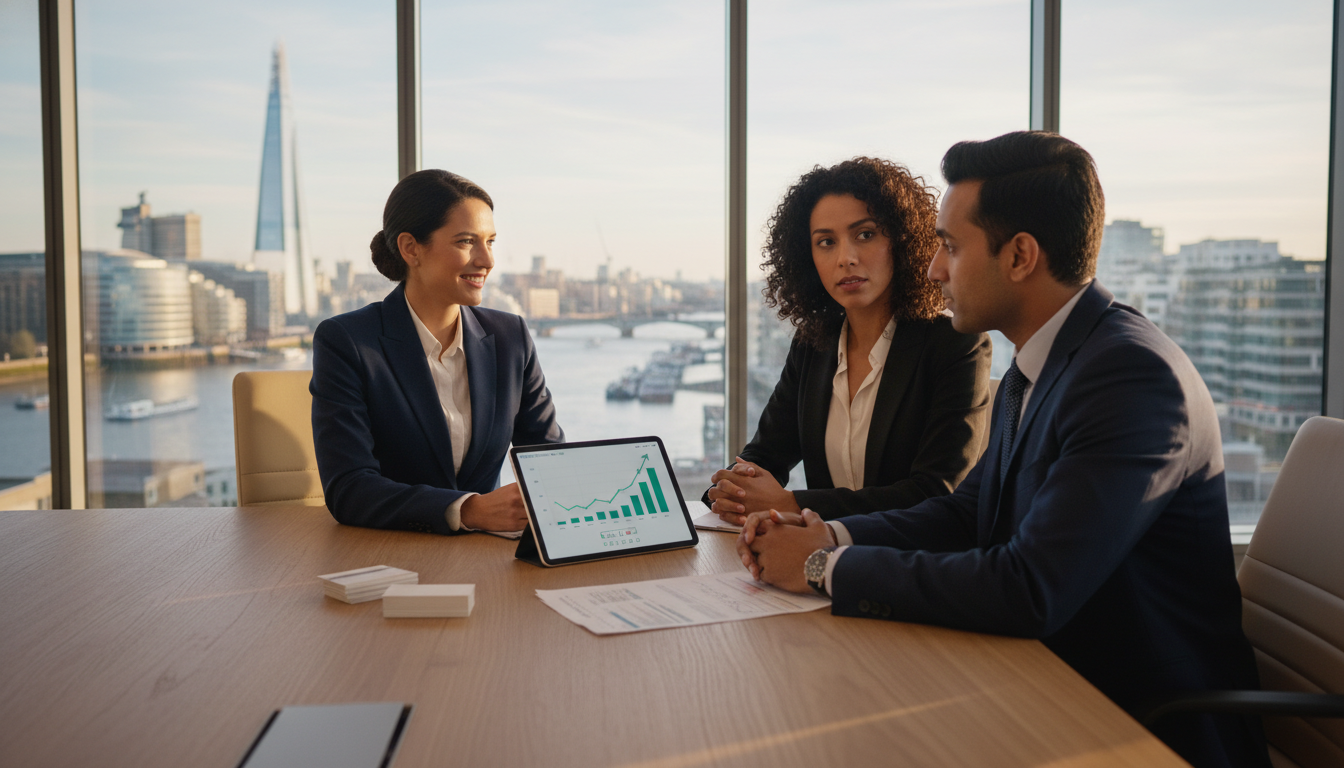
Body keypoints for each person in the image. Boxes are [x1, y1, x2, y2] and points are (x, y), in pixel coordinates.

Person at [736, 133, 1269, 767]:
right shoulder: (1040, 367)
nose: (933, 268)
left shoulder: (1129, 378)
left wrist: (824, 568)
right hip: (1046, 682)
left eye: (951, 247)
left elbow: (1029, 587)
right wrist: (828, 535)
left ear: (1019, 256)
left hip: (1137, 726)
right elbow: (967, 514)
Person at [705, 157, 991, 524]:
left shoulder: (955, 345)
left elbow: (934, 492)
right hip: (814, 559)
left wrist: (794, 504)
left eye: (865, 234)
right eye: (826, 242)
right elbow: (765, 456)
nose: (846, 258)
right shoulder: (813, 344)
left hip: (907, 565)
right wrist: (733, 488)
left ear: (902, 239)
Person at [310, 169, 563, 534]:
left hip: (487, 559)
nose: (487, 260)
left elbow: (549, 460)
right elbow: (349, 489)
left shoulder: (511, 338)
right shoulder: (348, 342)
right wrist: (469, 510)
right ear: (411, 248)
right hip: (388, 555)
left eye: (490, 241)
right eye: (466, 242)